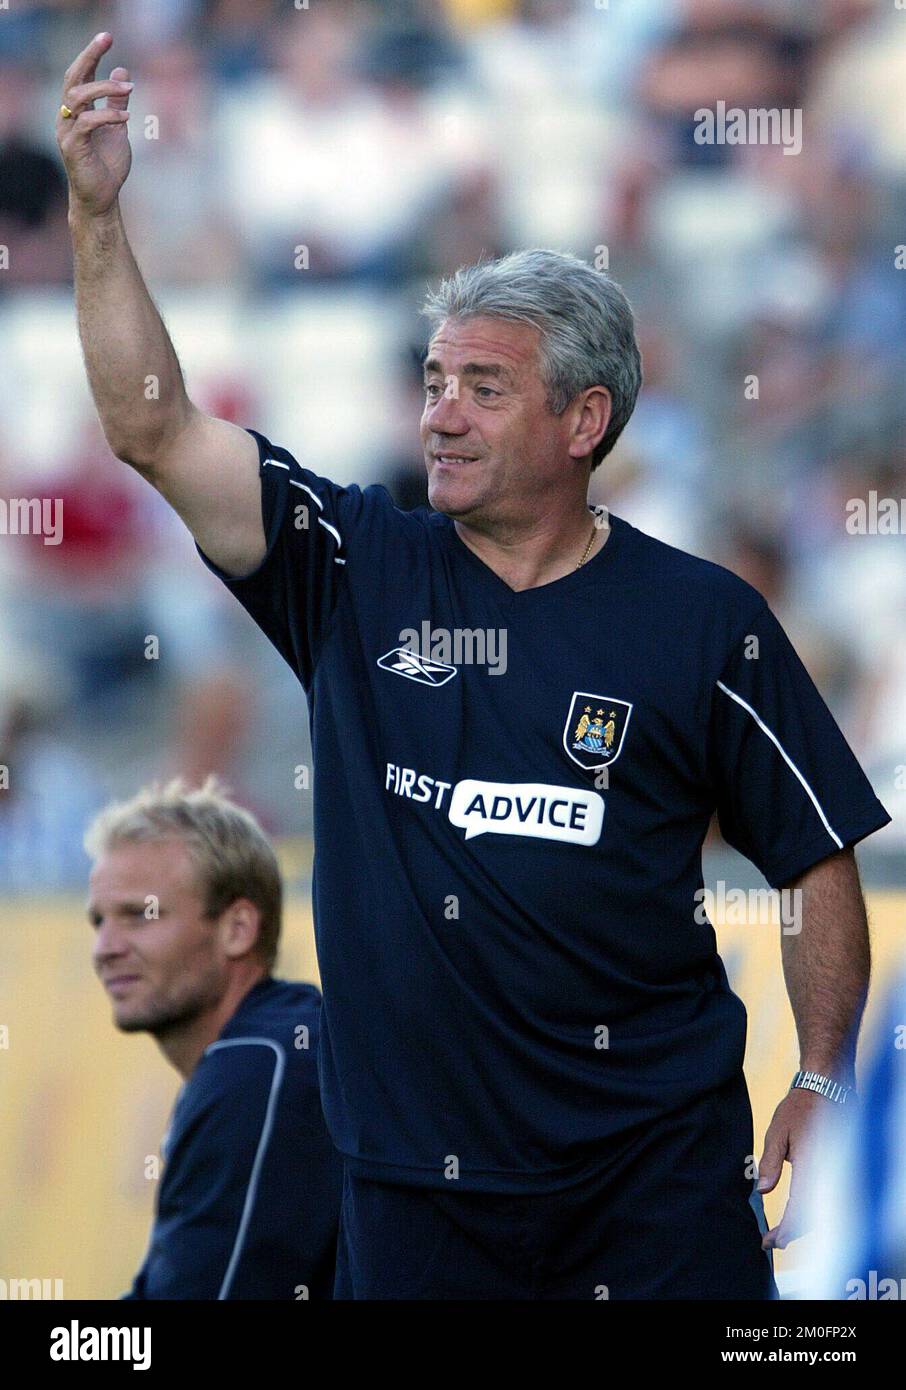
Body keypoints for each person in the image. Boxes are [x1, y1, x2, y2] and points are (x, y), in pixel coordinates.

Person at [61, 32, 891, 1299]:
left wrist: (823, 1077)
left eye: (483, 389)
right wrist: (96, 210)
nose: (439, 412)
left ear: (584, 420)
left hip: (659, 1185)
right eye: (435, 381)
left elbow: (817, 853)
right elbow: (151, 424)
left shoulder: (702, 616)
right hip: (415, 1194)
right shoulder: (348, 564)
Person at [85, 777, 341, 1299]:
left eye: (139, 915)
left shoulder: (258, 1066)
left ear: (238, 928)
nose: (105, 948)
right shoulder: (270, 1047)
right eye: (98, 921)